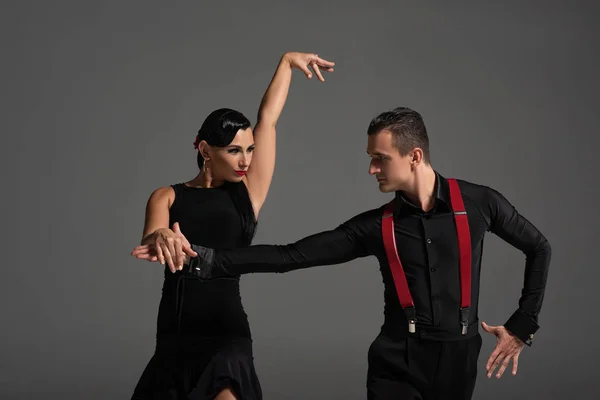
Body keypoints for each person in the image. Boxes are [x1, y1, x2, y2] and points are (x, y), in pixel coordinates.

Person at [132, 107, 551, 400]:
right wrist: (205, 259)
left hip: (461, 357)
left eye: (379, 159)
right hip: (396, 360)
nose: (371, 169)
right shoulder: (375, 225)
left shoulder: (480, 204)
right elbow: (291, 256)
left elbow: (538, 247)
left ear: (415, 156)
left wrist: (522, 324)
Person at [130, 52, 334, 400]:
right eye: (234, 151)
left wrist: (285, 64)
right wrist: (161, 234)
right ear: (206, 150)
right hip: (175, 331)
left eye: (250, 150)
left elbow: (267, 120)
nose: (245, 161)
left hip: (226, 332)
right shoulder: (165, 196)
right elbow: (152, 236)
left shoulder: (247, 193)